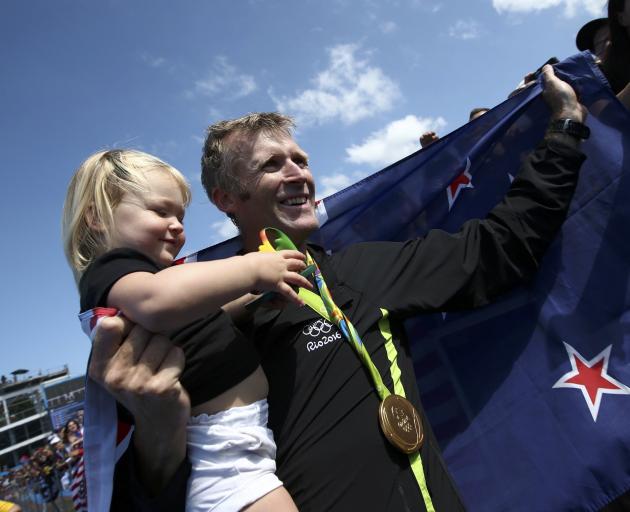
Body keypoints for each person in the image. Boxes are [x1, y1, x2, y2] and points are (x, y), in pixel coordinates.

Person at [90, 65, 588, 511]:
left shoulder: (367, 268)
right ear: (226, 199)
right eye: (272, 165)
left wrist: (564, 131)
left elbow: (501, 247)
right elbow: (168, 486)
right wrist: (159, 432)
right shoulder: (202, 313)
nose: (298, 174)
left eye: (301, 160)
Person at [62, 150, 312, 511]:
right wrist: (254, 269)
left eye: (179, 215)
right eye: (160, 211)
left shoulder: (153, 279)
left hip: (235, 441)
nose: (178, 225)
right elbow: (158, 301)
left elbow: (205, 309)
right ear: (97, 219)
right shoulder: (111, 270)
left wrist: (254, 297)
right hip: (220, 453)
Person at [419, 107, 489, 148]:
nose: (481, 127)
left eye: (487, 120)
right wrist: (432, 151)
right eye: (475, 125)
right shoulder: (465, 161)